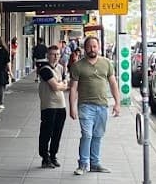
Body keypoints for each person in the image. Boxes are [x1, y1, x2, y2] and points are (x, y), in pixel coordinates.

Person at [68, 34, 120, 175]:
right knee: (87, 135)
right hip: (85, 106)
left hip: (102, 106)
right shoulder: (78, 66)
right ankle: (83, 164)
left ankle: (95, 163)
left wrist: (117, 103)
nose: (92, 49)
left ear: (99, 47)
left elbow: (113, 83)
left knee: (97, 135)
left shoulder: (106, 63)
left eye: (94, 46)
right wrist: (72, 107)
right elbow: (73, 88)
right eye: (89, 46)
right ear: (84, 48)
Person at [36, 44, 68, 168]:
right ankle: (45, 157)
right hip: (48, 105)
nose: (55, 57)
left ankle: (53, 155)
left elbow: (66, 82)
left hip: (61, 106)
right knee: (46, 132)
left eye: (57, 54)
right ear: (47, 56)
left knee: (57, 133)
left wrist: (62, 85)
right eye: (53, 54)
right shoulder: (44, 69)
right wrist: (62, 85)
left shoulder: (60, 68)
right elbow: (55, 86)